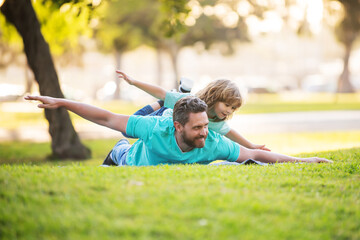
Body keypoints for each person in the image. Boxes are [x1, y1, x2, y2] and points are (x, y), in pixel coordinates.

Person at [24, 95, 332, 166]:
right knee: (120, 146)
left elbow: (252, 153)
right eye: (197, 128)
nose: (204, 133)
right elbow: (106, 117)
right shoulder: (154, 128)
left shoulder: (211, 142)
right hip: (124, 157)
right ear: (177, 126)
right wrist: (60, 102)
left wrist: (305, 162)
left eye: (206, 126)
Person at [117, 70, 270, 151]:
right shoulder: (191, 102)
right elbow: (161, 92)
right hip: (164, 115)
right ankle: (163, 103)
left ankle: (177, 94)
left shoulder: (216, 121)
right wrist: (133, 82)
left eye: (233, 108)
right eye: (227, 105)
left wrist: (251, 146)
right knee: (127, 132)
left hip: (173, 124)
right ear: (215, 96)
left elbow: (230, 133)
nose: (229, 110)